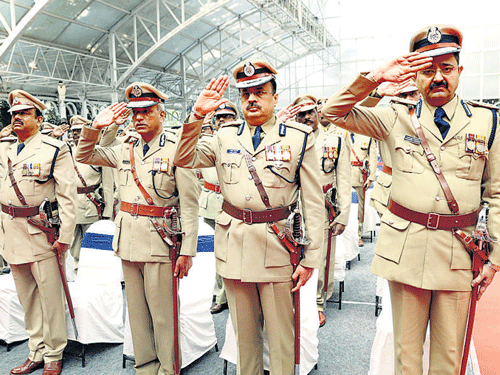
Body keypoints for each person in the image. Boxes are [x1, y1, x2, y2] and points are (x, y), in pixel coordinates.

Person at [322, 24, 500, 375]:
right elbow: (332, 112)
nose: (437, 77)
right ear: (415, 75)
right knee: (406, 356)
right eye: (427, 70)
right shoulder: (394, 117)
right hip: (406, 249)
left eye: (446, 69)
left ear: (459, 72)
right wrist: (374, 79)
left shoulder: (488, 121)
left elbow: (496, 194)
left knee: (448, 359)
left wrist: (495, 258)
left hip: (458, 252)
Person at [174, 60, 324, 374]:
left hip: (276, 248)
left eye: (259, 92)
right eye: (245, 94)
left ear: (275, 97)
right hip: (234, 248)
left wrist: (312, 259)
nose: (252, 99)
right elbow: (184, 157)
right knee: (245, 340)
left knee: (281, 337)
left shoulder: (298, 138)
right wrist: (197, 115)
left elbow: (313, 203)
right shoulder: (224, 136)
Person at [75, 82, 200, 375]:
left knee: (163, 316)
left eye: (146, 111)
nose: (139, 118)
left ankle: (169, 369)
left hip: (161, 243)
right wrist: (97, 127)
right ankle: (145, 368)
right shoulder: (123, 148)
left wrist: (188, 250)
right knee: (138, 317)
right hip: (127, 242)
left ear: (161, 113)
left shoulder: (177, 148)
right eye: (135, 113)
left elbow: (191, 204)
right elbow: (84, 155)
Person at [0, 90, 77, 375]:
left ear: (39, 119)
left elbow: (68, 196)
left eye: (23, 113)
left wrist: (66, 236)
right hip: (12, 232)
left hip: (41, 232)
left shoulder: (54, 148)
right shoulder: (5, 148)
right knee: (27, 298)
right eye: (13, 114)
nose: (16, 118)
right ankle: (36, 350)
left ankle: (54, 353)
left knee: (50, 296)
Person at [290, 94, 351, 327]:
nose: (306, 117)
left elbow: (343, 180)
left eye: (310, 113)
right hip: (294, 208)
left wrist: (343, 215)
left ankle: (317, 304)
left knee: (322, 256)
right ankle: (293, 298)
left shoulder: (334, 141)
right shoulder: (288, 142)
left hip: (323, 208)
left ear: (318, 114)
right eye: (301, 114)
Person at [201, 101, 239, 314]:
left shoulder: (242, 140)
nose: (223, 120)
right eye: (219, 117)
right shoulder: (208, 141)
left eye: (228, 116)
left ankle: (230, 295)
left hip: (231, 204)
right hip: (209, 203)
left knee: (232, 252)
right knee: (217, 254)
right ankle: (220, 295)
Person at [68, 115, 114, 272]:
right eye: (73, 131)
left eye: (79, 131)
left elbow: (107, 184)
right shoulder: (66, 152)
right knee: (73, 239)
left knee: (93, 239)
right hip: (72, 203)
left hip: (91, 203)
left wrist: (108, 211)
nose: (75, 134)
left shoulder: (97, 152)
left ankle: (93, 269)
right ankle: (77, 266)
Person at [350, 131, 376, 247]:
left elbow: (373, 158)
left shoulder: (367, 136)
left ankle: (358, 235)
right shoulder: (339, 133)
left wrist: (371, 177)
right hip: (342, 175)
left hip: (358, 176)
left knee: (359, 208)